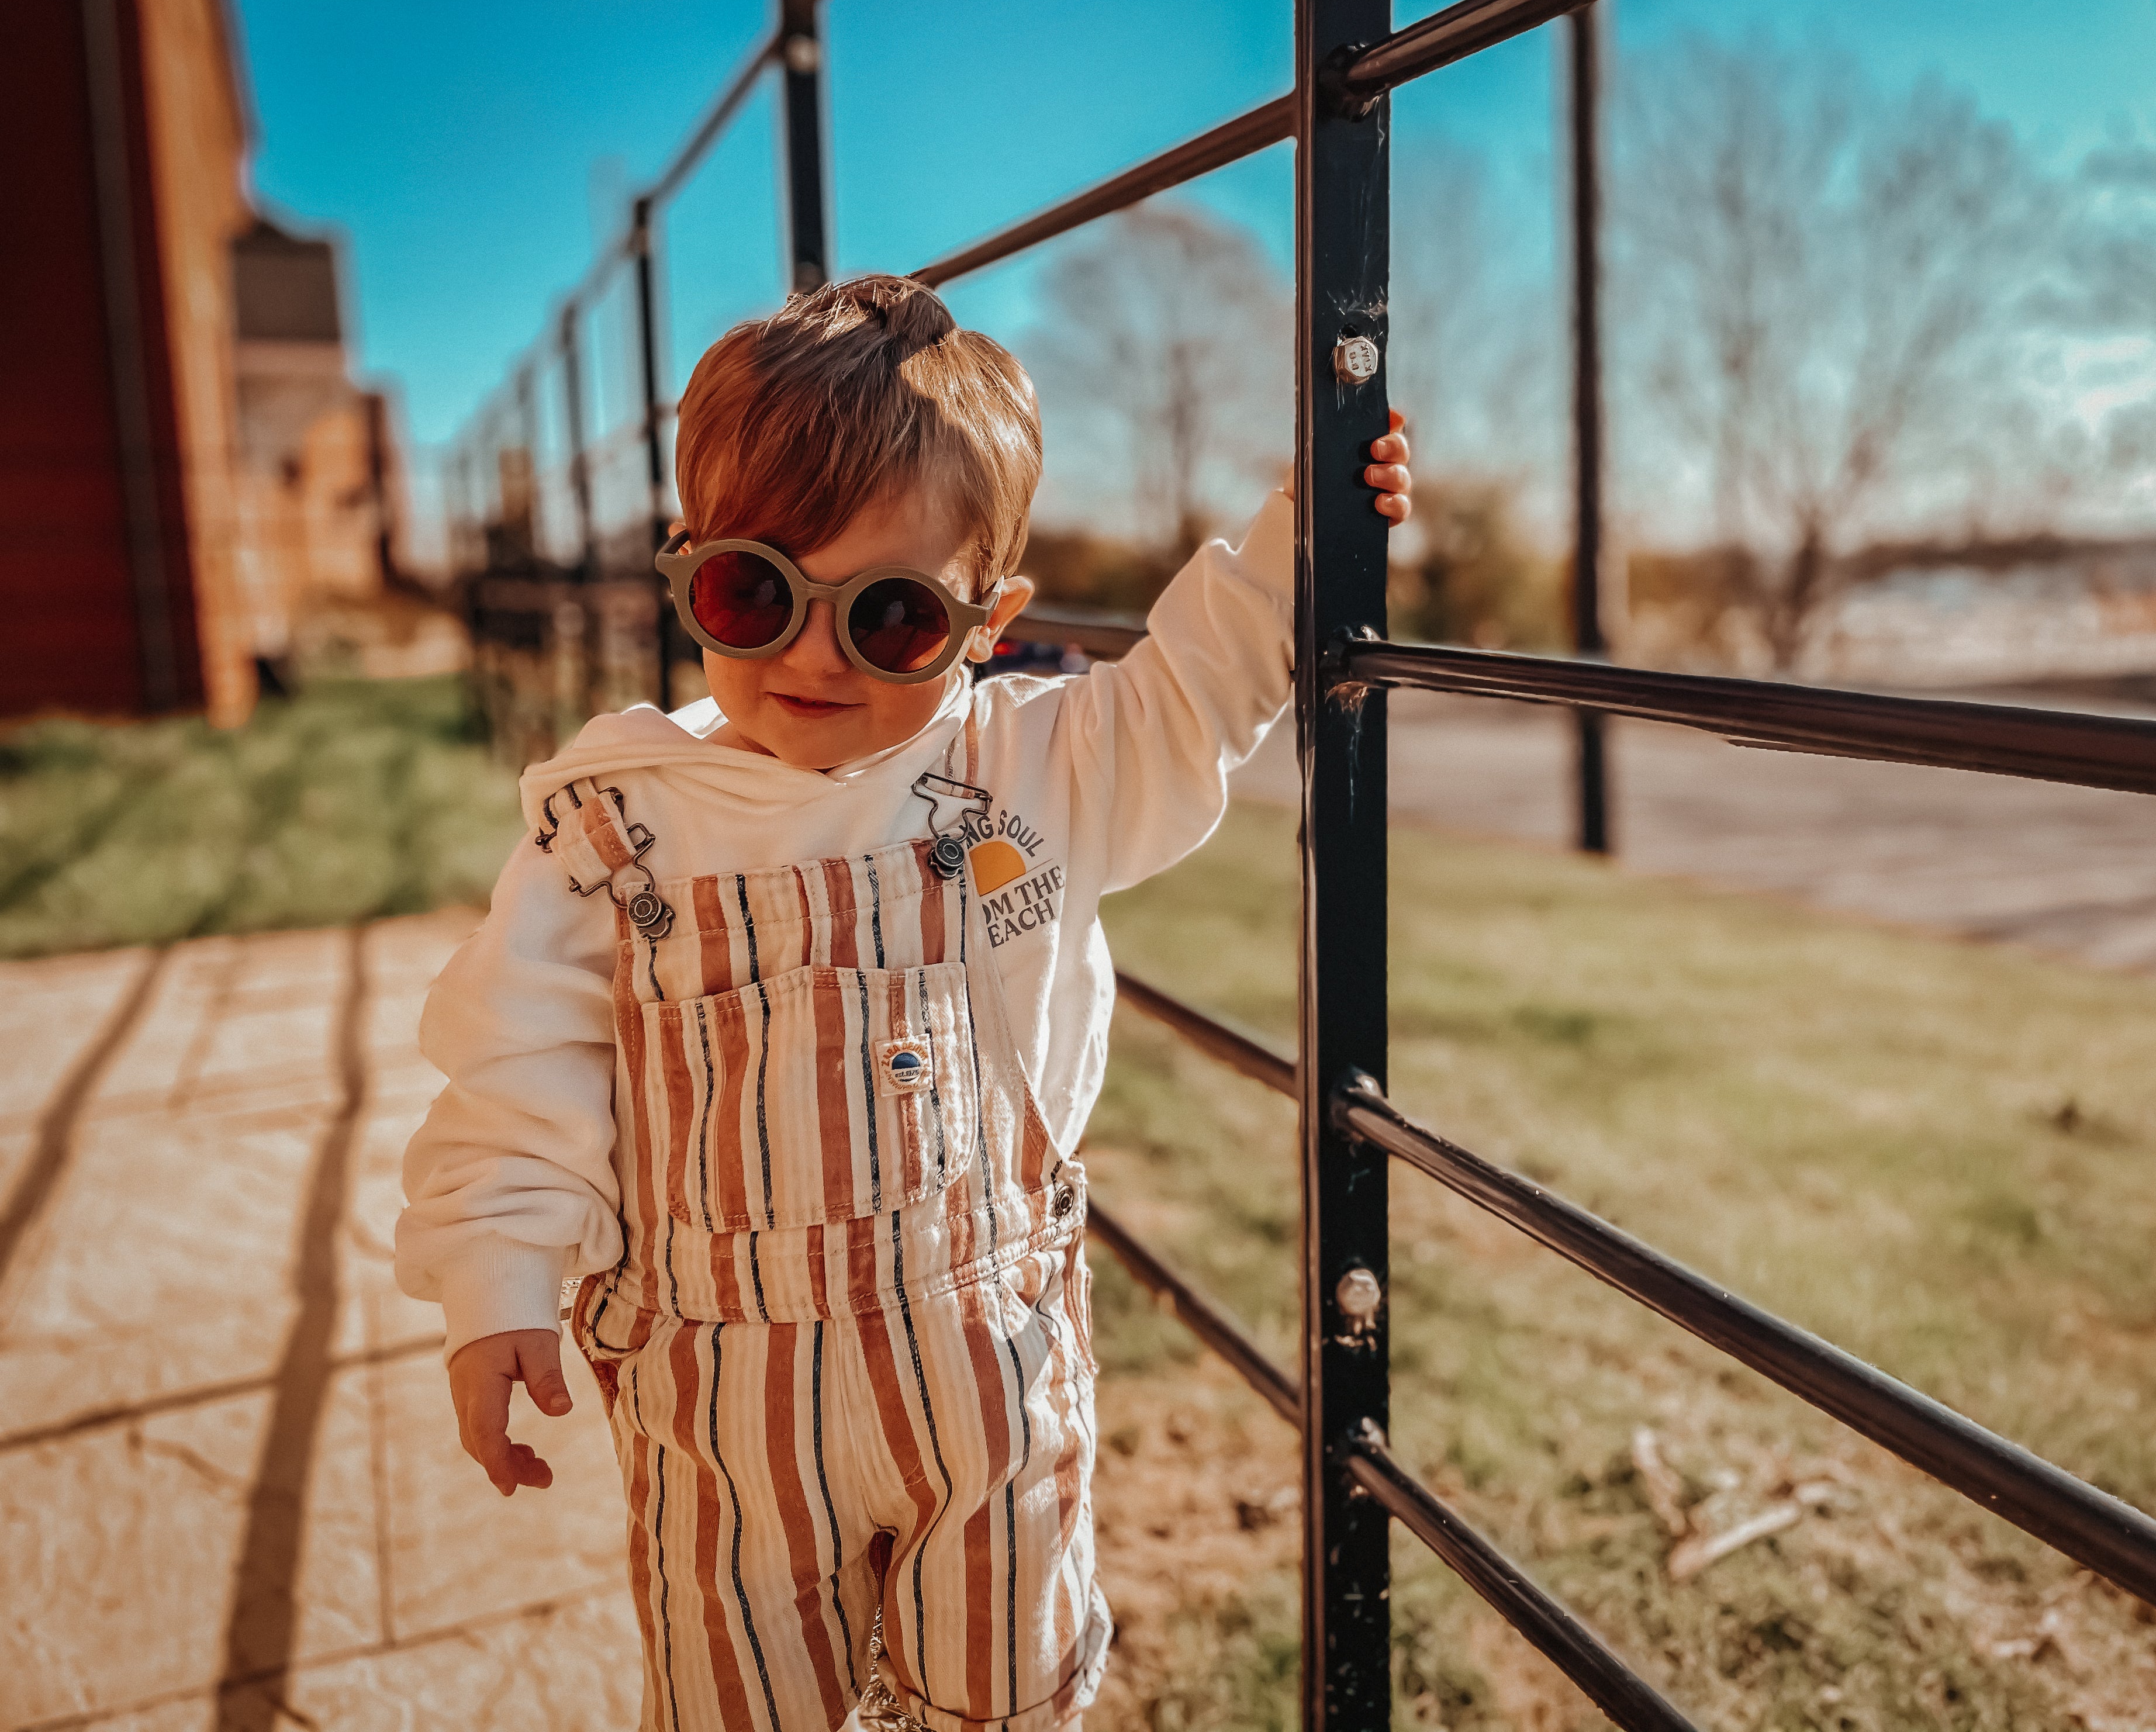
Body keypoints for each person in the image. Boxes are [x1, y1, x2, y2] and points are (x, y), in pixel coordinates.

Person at [394, 275, 1411, 1731]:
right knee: (738, 1696)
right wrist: (492, 1280)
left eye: (890, 617)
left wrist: (1313, 523)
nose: (813, 655)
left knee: (1002, 1697)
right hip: (719, 1413)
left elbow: (1198, 688)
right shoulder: (618, 824)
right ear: (686, 573)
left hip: (985, 1373)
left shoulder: (1030, 773)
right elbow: (519, 1066)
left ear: (986, 621)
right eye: (756, 591)